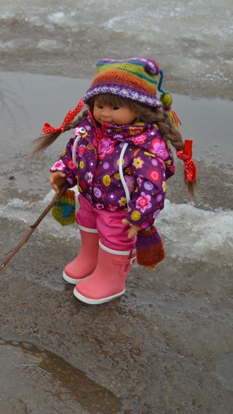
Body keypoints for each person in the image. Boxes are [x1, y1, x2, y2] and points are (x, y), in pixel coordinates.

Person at [32, 57, 196, 305]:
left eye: (115, 108)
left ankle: (112, 278)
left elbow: (152, 187)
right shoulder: (90, 130)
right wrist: (63, 171)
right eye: (99, 105)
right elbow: (74, 153)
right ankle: (90, 259)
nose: (105, 113)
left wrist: (141, 216)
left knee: (115, 237)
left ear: (138, 108)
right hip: (90, 199)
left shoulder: (144, 146)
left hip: (120, 210)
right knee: (86, 222)